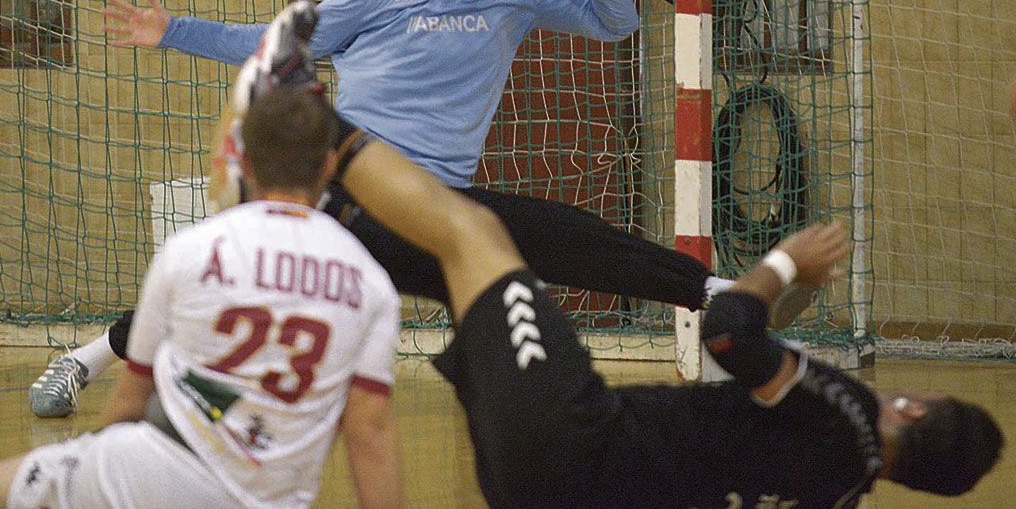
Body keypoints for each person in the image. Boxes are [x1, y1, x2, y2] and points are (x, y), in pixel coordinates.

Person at [30, 0, 749, 417]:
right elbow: (277, 42)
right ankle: (88, 359)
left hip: (437, 201)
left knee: (559, 235)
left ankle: (714, 289)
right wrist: (171, 31)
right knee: (240, 280)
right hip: (353, 191)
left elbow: (616, 21)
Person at [316, 33, 1005, 507]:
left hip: (579, 431)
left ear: (913, 408)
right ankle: (330, 220)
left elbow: (731, 334)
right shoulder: (838, 491)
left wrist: (781, 261)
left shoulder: (848, 412)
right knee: (476, 280)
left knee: (478, 234)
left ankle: (312, 126)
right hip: (544, 490)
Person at [0, 59, 404, 506]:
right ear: (328, 167)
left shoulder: (192, 250)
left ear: (247, 164)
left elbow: (130, 402)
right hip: (272, 498)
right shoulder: (371, 282)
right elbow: (370, 436)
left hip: (152, 472)